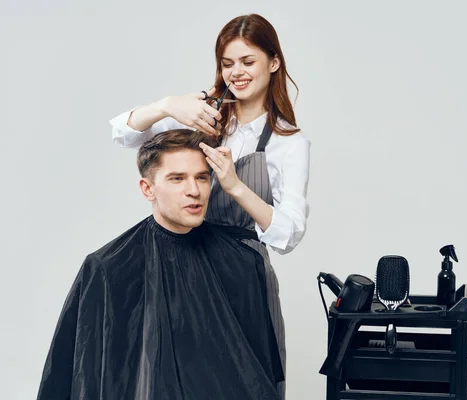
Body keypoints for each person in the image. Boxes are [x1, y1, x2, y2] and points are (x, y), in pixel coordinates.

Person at [109, 13, 310, 398]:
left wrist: (235, 186)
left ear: (273, 62)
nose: (237, 72)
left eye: (248, 62)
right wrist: (169, 106)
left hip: (240, 281)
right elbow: (123, 134)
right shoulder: (201, 116)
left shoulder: (288, 143)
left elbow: (287, 235)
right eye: (227, 63)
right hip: (179, 270)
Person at [37, 128, 284, 399]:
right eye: (177, 179)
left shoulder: (242, 264)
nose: (194, 190)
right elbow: (85, 375)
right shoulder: (108, 268)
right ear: (148, 189)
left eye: (201, 178)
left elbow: (258, 376)